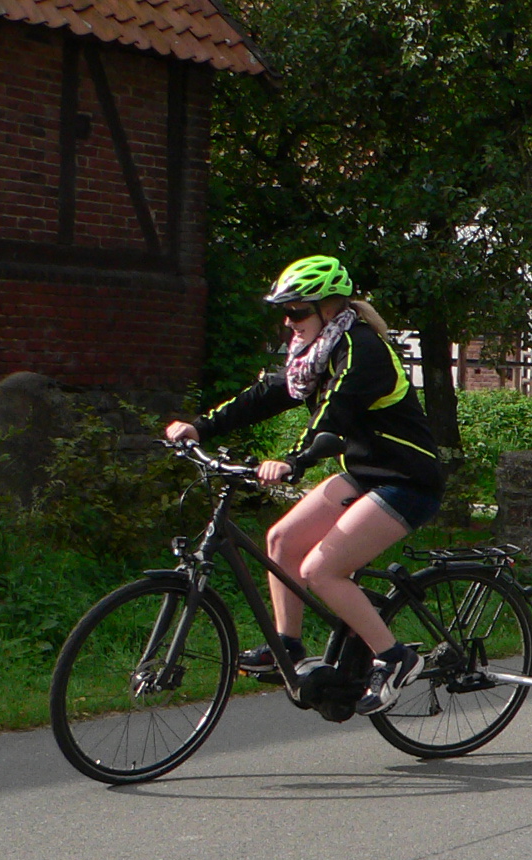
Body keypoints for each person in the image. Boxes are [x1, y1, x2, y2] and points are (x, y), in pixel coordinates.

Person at [162, 255, 444, 715]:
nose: (288, 321)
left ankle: (395, 658)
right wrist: (200, 427)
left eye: (296, 311)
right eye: (285, 312)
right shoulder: (316, 353)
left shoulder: (362, 349)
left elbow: (333, 412)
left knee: (320, 570)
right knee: (281, 540)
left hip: (408, 481)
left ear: (329, 308)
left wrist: (293, 460)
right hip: (366, 474)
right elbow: (268, 393)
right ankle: (289, 648)